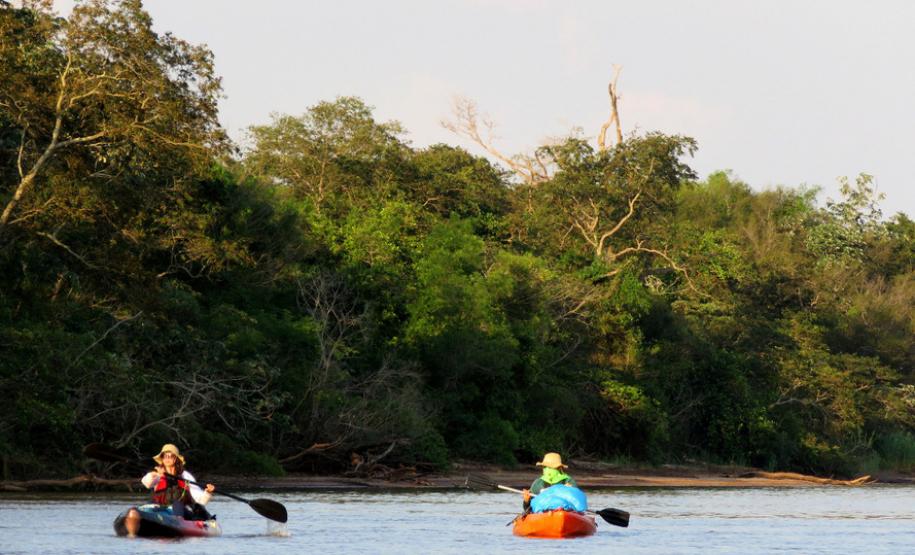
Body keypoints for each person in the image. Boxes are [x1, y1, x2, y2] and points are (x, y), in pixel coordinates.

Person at [140, 443, 216, 521]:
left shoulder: (185, 476)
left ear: (176, 459)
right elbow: (147, 483)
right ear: (162, 459)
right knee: (150, 504)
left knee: (177, 503)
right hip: (161, 510)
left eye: (171, 456)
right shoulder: (157, 475)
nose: (167, 458)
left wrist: (208, 492)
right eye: (165, 456)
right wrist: (156, 474)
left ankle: (177, 521)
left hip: (181, 511)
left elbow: (200, 500)